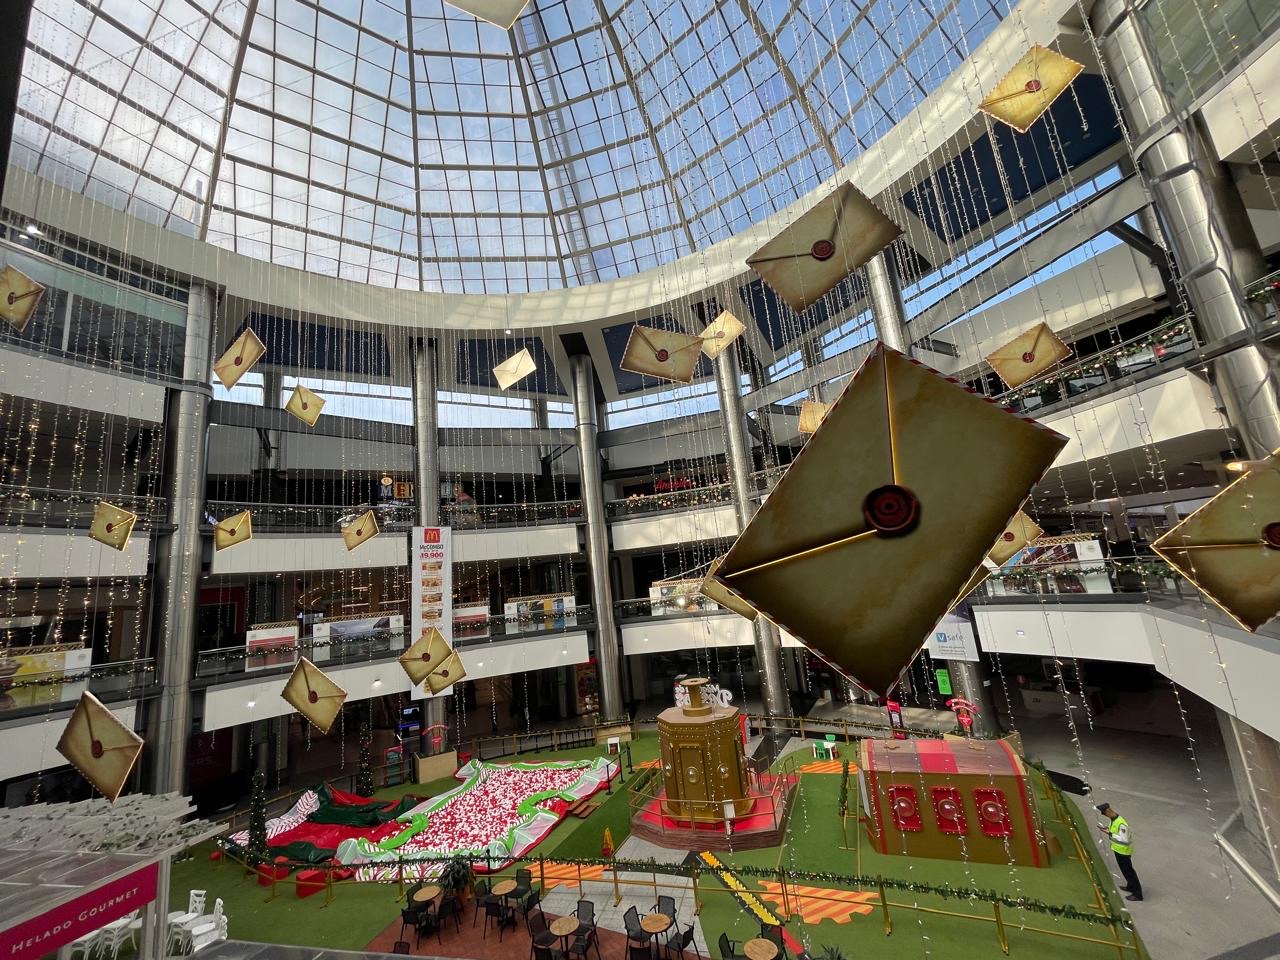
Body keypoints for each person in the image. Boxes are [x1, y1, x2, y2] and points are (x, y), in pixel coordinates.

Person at [1096, 802, 1143, 901]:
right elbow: (1114, 830)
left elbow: (1124, 839)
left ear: (1109, 811)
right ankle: (1130, 886)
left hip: (1123, 851)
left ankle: (1138, 894)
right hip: (1118, 850)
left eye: (1104, 813)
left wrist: (1110, 833)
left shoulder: (1121, 823)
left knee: (1129, 872)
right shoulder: (1113, 820)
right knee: (1125, 871)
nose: (1104, 815)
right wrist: (1107, 829)